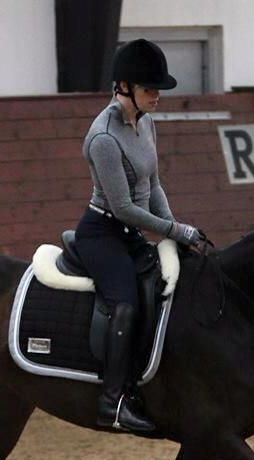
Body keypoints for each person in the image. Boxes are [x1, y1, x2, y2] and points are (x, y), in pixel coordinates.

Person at [76, 38, 201, 433]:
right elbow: (124, 208)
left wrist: (174, 228)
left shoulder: (146, 122)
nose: (157, 96)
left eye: (158, 89)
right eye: (150, 89)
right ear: (125, 87)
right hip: (102, 233)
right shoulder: (103, 138)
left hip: (131, 232)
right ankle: (111, 403)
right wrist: (174, 229)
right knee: (126, 303)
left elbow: (154, 184)